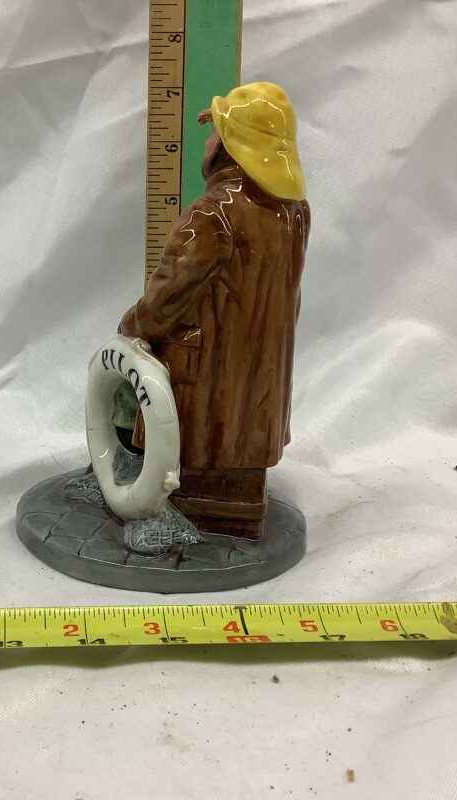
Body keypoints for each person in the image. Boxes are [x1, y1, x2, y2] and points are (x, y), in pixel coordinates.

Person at [118, 82, 310, 539]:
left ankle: (185, 504)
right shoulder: (295, 212)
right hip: (263, 370)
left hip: (207, 370)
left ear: (229, 146)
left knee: (193, 431)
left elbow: (168, 294)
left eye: (214, 134)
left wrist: (132, 327)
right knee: (243, 434)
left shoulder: (212, 213)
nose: (207, 144)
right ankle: (239, 499)